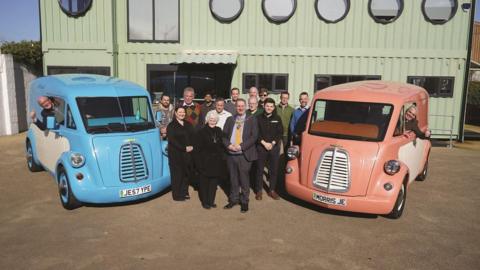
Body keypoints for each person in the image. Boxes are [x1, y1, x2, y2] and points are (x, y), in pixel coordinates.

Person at [222, 99, 258, 213]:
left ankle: (244, 201)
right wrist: (229, 145)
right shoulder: (230, 119)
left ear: (246, 106)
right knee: (233, 178)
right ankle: (233, 199)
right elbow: (223, 136)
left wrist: (241, 146)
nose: (240, 108)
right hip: (231, 154)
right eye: (238, 106)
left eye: (242, 106)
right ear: (235, 107)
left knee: (244, 179)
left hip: (244, 154)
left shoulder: (252, 119)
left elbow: (254, 136)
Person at [194, 111, 227, 209]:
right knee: (204, 183)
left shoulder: (219, 130)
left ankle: (211, 201)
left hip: (216, 161)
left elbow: (222, 144)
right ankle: (205, 202)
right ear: (207, 120)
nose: (212, 121)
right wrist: (198, 164)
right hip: (204, 161)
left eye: (214, 119)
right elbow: (197, 150)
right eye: (211, 119)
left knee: (213, 183)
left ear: (217, 121)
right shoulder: (201, 132)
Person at [255, 98, 283, 200]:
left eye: (271, 106)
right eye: (267, 106)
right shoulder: (258, 118)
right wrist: (263, 143)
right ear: (264, 106)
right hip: (261, 147)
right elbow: (256, 133)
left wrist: (272, 143)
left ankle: (271, 190)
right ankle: (259, 191)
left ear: (274, 107)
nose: (269, 108)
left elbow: (280, 132)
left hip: (273, 148)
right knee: (259, 170)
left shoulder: (277, 118)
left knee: (273, 170)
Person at [167, 107, 195, 201]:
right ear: (175, 113)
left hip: (188, 154)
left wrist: (192, 146)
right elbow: (172, 140)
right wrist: (184, 148)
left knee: (186, 174)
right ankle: (177, 195)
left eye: (183, 112)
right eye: (180, 112)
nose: (182, 113)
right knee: (177, 175)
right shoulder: (171, 126)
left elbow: (193, 136)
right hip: (176, 154)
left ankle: (184, 192)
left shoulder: (188, 124)